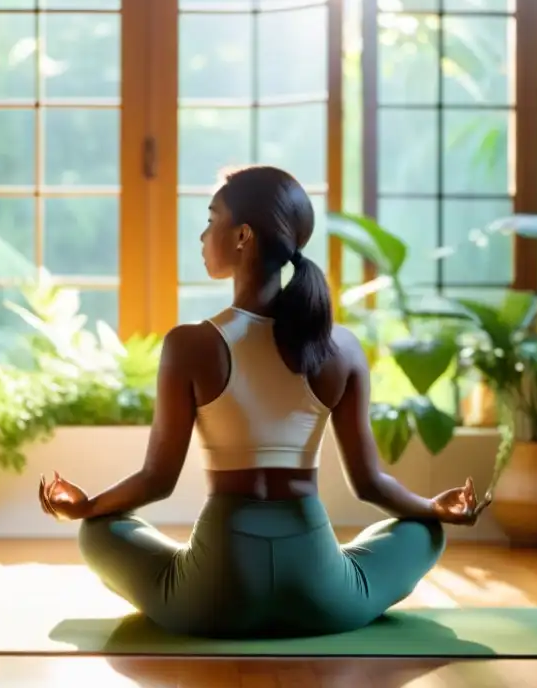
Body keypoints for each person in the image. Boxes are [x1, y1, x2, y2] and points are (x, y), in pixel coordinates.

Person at [39, 165, 489, 639]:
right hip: (320, 594)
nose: (202, 233)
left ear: (242, 236)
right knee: (423, 532)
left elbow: (158, 480)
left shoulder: (190, 344)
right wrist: (432, 509)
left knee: (98, 533)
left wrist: (88, 507)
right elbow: (370, 484)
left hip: (214, 597)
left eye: (212, 219)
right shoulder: (342, 348)